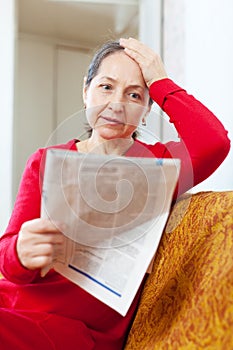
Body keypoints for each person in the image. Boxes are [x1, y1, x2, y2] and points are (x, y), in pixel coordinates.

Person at [0, 37, 230, 349]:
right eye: (106, 87)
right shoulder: (44, 161)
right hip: (14, 305)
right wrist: (20, 252)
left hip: (74, 331)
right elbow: (8, 262)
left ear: (147, 110)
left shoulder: (158, 168)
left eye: (134, 95)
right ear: (86, 91)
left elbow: (213, 141)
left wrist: (160, 82)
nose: (116, 104)